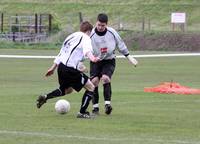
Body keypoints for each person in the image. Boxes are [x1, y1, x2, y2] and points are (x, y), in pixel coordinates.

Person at [36, 21, 99, 119]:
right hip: (70, 69)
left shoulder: (70, 37)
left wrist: (52, 68)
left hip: (61, 67)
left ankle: (45, 97)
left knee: (67, 90)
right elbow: (87, 51)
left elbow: (61, 54)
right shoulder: (85, 37)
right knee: (91, 87)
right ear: (89, 31)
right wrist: (93, 58)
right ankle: (82, 112)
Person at [90, 13, 138, 115]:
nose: (100, 27)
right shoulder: (91, 34)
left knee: (105, 78)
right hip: (95, 61)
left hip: (109, 60)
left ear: (106, 24)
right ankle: (95, 108)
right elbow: (84, 48)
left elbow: (120, 44)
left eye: (103, 25)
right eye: (99, 25)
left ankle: (107, 105)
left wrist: (129, 57)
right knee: (94, 82)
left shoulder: (112, 32)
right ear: (96, 23)